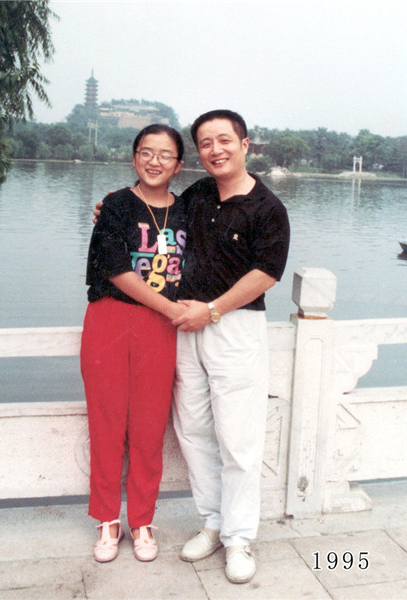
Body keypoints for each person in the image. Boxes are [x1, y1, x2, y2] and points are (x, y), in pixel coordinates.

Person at [93, 110, 290, 583]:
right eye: (205, 143)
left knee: (237, 438)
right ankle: (212, 523)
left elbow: (267, 273)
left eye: (225, 140)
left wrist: (214, 309)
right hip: (183, 325)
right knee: (194, 430)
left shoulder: (268, 207)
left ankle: (239, 538)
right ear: (197, 154)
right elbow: (148, 208)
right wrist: (110, 209)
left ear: (246, 144)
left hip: (233, 326)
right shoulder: (198, 195)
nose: (215, 150)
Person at [80, 124, 187, 564]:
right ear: (134, 158)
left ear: (179, 165)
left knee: (148, 427)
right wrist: (170, 307)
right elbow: (114, 267)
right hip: (111, 319)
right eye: (146, 152)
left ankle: (142, 519)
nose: (155, 161)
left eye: (165, 154)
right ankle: (108, 519)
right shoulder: (118, 206)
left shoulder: (190, 210)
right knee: (106, 423)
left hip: (160, 331)